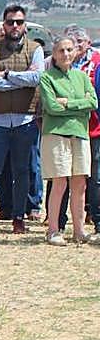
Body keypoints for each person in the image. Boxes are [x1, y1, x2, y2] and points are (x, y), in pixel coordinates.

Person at [0, 4, 44, 236]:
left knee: (22, 171)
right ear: (3, 25)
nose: (15, 26)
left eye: (19, 22)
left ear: (24, 25)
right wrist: (19, 80)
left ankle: (18, 217)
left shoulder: (35, 49)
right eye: (11, 22)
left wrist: (9, 75)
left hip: (25, 121)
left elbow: (37, 77)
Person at [38, 36, 98, 245]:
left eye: (69, 50)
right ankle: (53, 229)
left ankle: (79, 231)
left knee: (80, 182)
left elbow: (93, 101)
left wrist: (69, 104)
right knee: (60, 182)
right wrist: (79, 107)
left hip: (80, 134)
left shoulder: (81, 76)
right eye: (61, 50)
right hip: (56, 134)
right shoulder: (47, 77)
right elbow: (51, 107)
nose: (66, 54)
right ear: (54, 54)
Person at [65, 24, 100, 235]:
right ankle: (57, 221)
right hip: (68, 128)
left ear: (87, 43)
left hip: (94, 127)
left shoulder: (97, 62)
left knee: (95, 176)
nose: (74, 48)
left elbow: (94, 99)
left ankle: (96, 218)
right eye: (71, 43)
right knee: (64, 176)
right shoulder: (62, 63)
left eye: (79, 43)